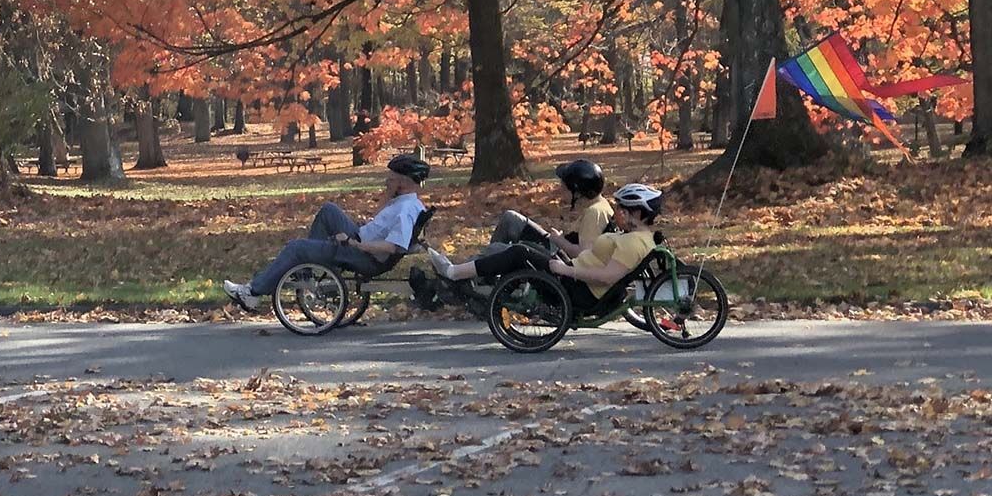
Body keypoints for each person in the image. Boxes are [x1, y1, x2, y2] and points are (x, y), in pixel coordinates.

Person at [223, 154, 430, 311]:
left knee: (296, 248)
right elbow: (381, 221)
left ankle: (252, 292)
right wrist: (388, 194)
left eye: (391, 179)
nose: (387, 181)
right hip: (362, 239)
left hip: (365, 255)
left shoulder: (404, 211)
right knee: (328, 211)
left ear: (403, 182)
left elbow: (395, 246)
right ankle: (309, 271)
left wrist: (354, 243)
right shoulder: (407, 202)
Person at [428, 183, 664, 313]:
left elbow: (606, 277)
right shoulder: (636, 236)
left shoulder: (634, 242)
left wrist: (566, 270)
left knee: (519, 252)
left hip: (577, 288)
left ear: (638, 213)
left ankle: (454, 273)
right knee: (525, 247)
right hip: (574, 275)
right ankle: (472, 284)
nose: (617, 213)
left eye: (622, 209)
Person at [488, 159, 614, 258]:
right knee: (511, 218)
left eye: (564, 188)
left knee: (496, 250)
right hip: (556, 247)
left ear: (578, 193)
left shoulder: (595, 213)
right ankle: (483, 271)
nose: (560, 190)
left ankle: (474, 271)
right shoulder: (594, 205)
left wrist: (560, 241)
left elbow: (584, 255)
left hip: (558, 258)